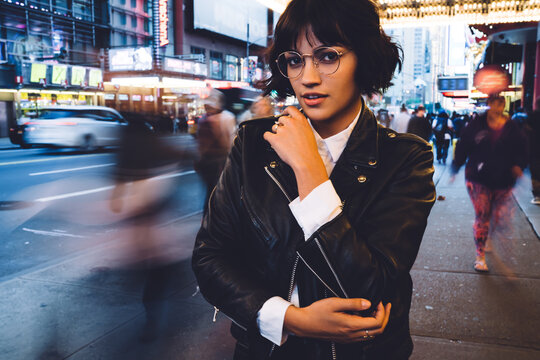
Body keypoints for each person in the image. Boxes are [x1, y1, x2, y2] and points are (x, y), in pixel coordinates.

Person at [192, 0, 436, 359]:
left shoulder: (405, 158)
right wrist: (291, 319)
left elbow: (373, 289)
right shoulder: (253, 144)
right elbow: (210, 258)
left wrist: (309, 171)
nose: (307, 77)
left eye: (326, 56)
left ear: (363, 58)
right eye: (294, 59)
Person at [450, 95, 528, 272]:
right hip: (478, 179)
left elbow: (522, 149)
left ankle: (488, 237)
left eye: (502, 102)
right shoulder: (476, 125)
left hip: (504, 180)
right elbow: (463, 147)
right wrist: (455, 168)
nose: (499, 106)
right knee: (482, 215)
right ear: (489, 104)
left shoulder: (511, 127)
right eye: (495, 102)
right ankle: (480, 256)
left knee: (500, 218)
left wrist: (518, 165)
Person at [194, 89, 237, 215]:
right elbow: (231, 141)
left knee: (212, 189)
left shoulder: (203, 120)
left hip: (207, 162)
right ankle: (214, 216)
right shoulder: (227, 117)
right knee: (218, 190)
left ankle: (209, 215)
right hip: (219, 161)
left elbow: (200, 143)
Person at [527, 98, 540, 204]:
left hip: (534, 149)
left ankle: (537, 195)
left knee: (535, 173)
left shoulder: (532, 116)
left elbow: (527, 132)